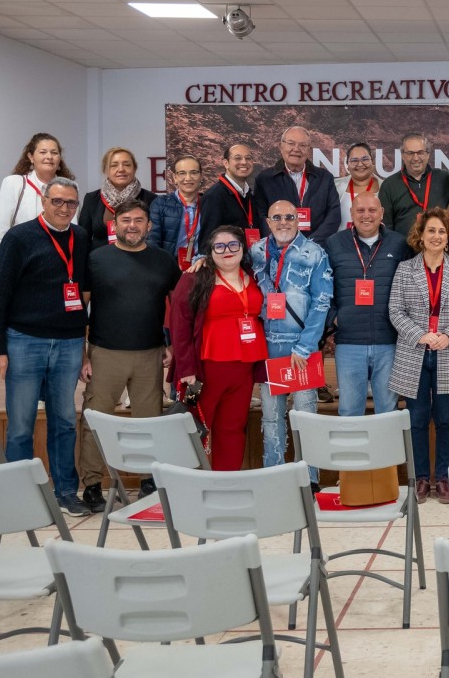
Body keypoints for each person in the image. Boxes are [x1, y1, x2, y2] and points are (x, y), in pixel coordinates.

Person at [0, 177, 89, 516]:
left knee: (64, 420)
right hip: (24, 341)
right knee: (21, 424)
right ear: (43, 201)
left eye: (71, 203)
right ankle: (20, 496)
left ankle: (66, 492)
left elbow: (83, 292)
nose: (64, 208)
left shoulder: (81, 237)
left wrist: (84, 344)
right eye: (57, 201)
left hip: (69, 342)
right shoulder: (19, 237)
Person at [78, 199, 180, 509]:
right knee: (94, 420)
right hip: (105, 353)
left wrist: (172, 345)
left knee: (149, 423)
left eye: (139, 220)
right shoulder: (96, 259)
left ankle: (148, 480)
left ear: (149, 226)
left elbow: (177, 308)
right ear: (115, 225)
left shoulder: (164, 261)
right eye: (126, 220)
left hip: (149, 353)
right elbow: (79, 307)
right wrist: (83, 355)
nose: (132, 225)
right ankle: (93, 484)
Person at [389, 208, 449, 504]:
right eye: (431, 231)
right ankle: (421, 478)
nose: (437, 236)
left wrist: (448, 336)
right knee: (417, 420)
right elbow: (395, 311)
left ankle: (445, 478)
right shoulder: (404, 269)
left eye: (442, 231)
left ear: (448, 236)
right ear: (421, 236)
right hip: (414, 353)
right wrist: (420, 335)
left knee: (447, 420)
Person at [170, 226, 268, 471]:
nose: (227, 251)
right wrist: (186, 369)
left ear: (243, 248)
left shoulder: (254, 275)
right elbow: (179, 325)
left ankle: (227, 485)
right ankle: (192, 485)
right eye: (219, 246)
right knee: (197, 429)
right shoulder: (194, 277)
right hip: (206, 369)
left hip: (244, 368)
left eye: (233, 245)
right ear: (209, 251)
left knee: (233, 428)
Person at [250, 199, 333, 483]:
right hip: (268, 347)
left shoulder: (314, 253)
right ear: (268, 222)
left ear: (298, 221)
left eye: (289, 217)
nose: (283, 222)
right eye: (277, 217)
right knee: (271, 418)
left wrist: (305, 346)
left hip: (301, 349)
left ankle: (309, 479)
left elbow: (322, 302)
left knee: (305, 418)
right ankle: (274, 477)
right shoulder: (256, 251)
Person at [324, 191, 410, 417]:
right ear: (351, 213)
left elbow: (410, 287)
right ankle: (352, 454)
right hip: (349, 343)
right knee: (350, 411)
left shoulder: (399, 243)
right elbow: (323, 287)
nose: (366, 216)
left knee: (388, 412)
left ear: (381, 213)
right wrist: (335, 317)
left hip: (389, 343)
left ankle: (388, 454)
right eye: (360, 210)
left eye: (372, 210)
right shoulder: (334, 243)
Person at [0, 132, 76, 281]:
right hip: (21, 258)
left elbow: (73, 226)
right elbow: (1, 224)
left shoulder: (70, 188)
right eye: (43, 152)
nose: (49, 156)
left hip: (59, 260)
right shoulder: (14, 183)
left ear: (60, 159)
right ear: (31, 157)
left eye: (54, 153)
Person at [253, 125, 340, 245]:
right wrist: (280, 242)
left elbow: (333, 215)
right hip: (278, 249)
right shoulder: (264, 179)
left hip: (316, 249)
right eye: (291, 143)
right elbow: (261, 216)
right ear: (281, 146)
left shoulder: (325, 178)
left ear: (309, 149)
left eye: (302, 145)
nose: (296, 149)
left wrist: (310, 243)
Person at [78, 147, 156, 252]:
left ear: (135, 168)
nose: (121, 169)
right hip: (100, 264)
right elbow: (83, 239)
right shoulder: (92, 198)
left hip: (140, 263)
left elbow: (154, 238)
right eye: (114, 165)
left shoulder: (151, 199)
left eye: (127, 165)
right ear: (106, 170)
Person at [379, 132, 449, 239]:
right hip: (403, 252)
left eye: (420, 152)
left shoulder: (445, 178)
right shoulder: (389, 185)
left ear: (428, 154)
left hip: (438, 247)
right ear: (402, 155)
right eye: (410, 153)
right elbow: (386, 226)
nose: (415, 158)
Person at [196, 143, 259, 251]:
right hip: (227, 263)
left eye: (248, 158)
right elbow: (207, 240)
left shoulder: (249, 194)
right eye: (237, 158)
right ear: (226, 163)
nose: (244, 162)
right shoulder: (214, 196)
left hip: (248, 261)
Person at [148, 154, 204, 269]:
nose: (188, 178)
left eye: (194, 172)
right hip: (168, 267)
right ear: (174, 177)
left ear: (201, 176)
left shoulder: (209, 204)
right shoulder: (160, 203)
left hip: (201, 267)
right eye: (182, 173)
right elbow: (152, 241)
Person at [336, 141, 378, 230]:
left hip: (378, 242)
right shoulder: (334, 186)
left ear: (372, 161)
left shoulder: (385, 187)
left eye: (365, 159)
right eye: (354, 160)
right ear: (347, 165)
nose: (360, 164)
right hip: (342, 242)